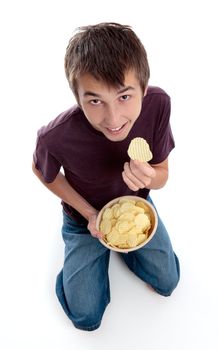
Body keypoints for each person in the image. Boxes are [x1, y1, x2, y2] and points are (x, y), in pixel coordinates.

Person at [32, 22, 180, 331]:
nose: (113, 119)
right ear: (78, 97)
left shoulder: (158, 105)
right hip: (84, 221)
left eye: (125, 97)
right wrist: (89, 214)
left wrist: (149, 178)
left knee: (168, 283)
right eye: (95, 101)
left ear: (143, 88)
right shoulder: (55, 135)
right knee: (86, 318)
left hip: (136, 208)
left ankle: (128, 251)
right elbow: (41, 170)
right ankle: (87, 260)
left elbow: (163, 174)